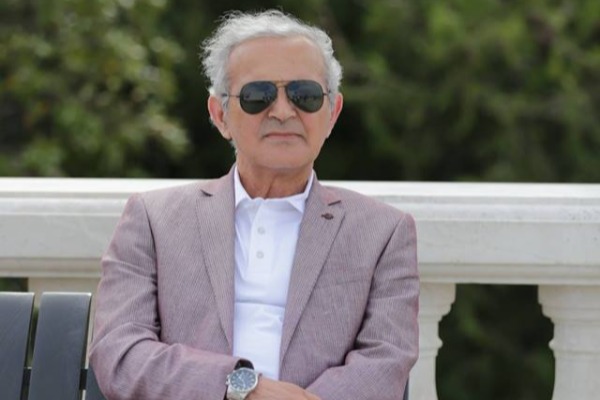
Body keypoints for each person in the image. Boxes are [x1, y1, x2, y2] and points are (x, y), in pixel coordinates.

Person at [89, 9, 419, 400]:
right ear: (220, 115)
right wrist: (242, 388)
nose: (282, 111)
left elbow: (386, 361)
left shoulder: (383, 233)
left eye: (305, 95)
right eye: (257, 96)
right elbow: (119, 352)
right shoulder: (153, 220)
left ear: (332, 113)